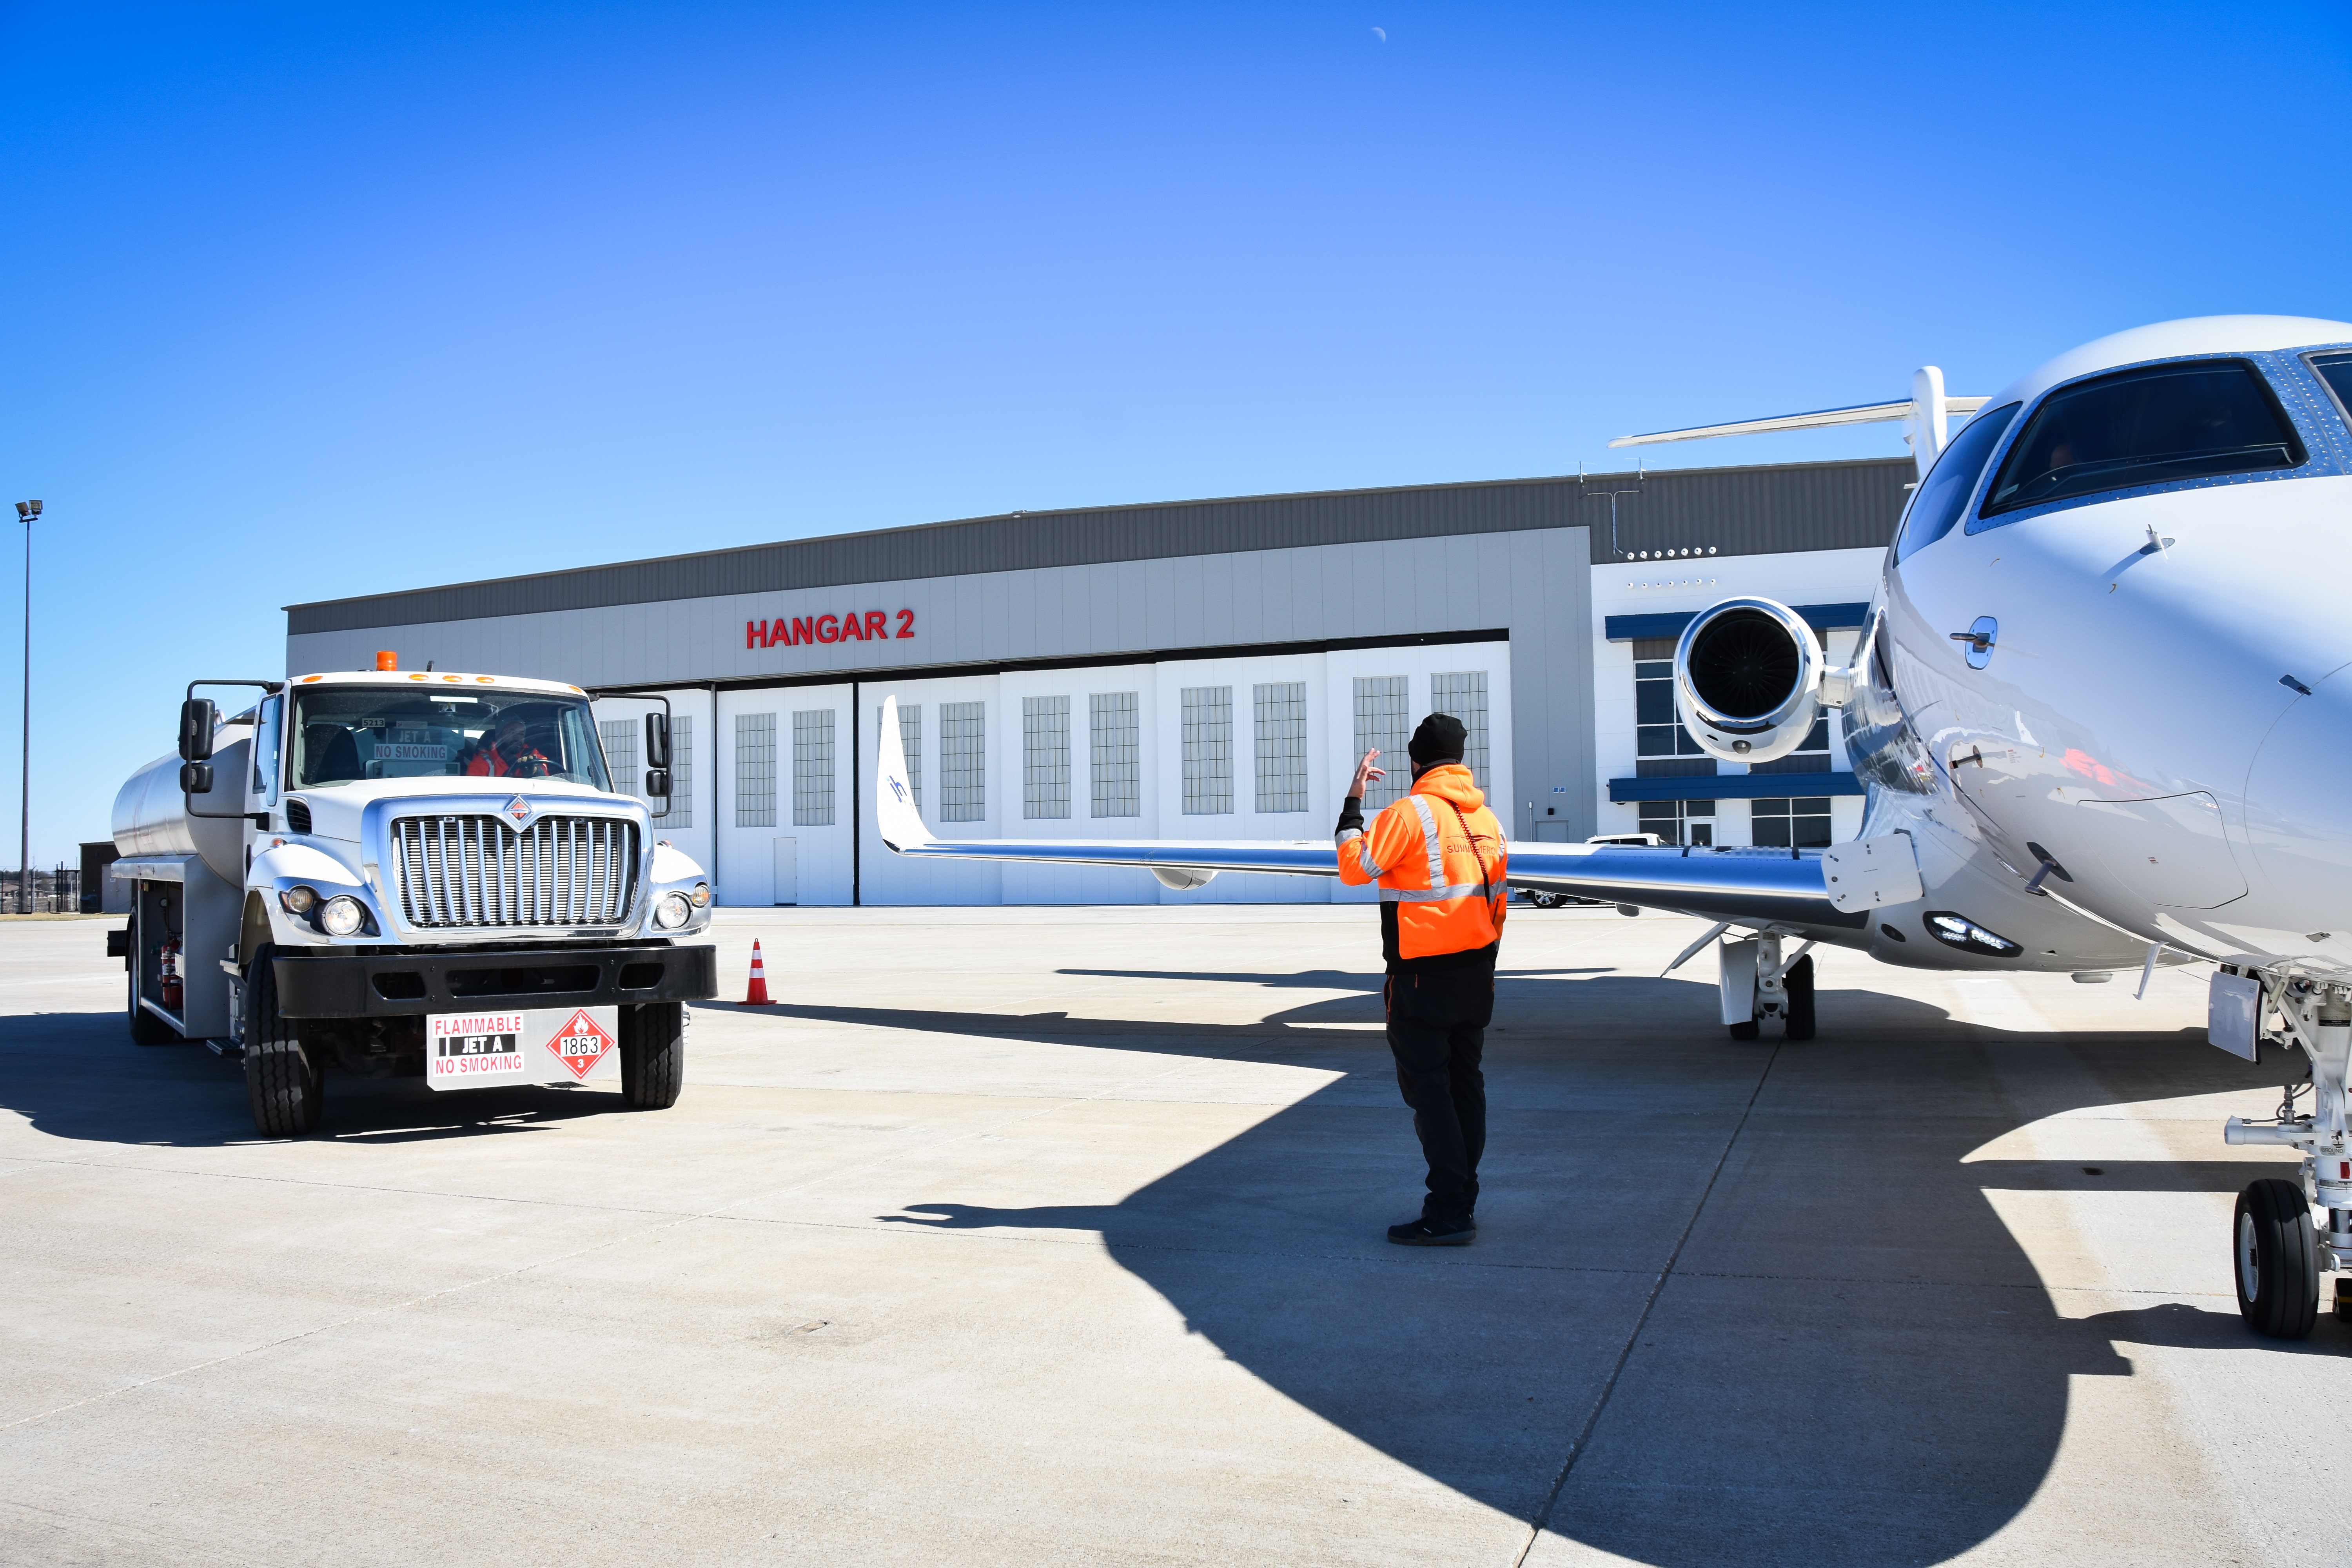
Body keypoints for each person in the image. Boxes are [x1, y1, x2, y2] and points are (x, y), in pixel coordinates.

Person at [1334, 713, 1508, 1246]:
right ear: (1459, 759)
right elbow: (1497, 900)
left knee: (1431, 1094)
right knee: (1466, 1088)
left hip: (1421, 982)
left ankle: (1449, 1211)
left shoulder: (1409, 813)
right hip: (1477, 973)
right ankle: (1464, 1196)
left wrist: (1353, 805)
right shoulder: (1488, 820)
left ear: (1415, 761)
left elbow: (1354, 867)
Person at [463, 718, 553, 779]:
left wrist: (537, 773)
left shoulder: (535, 757)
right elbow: (474, 795)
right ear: (499, 737)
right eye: (512, 733)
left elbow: (547, 784)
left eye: (521, 734)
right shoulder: (483, 762)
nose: (518, 738)